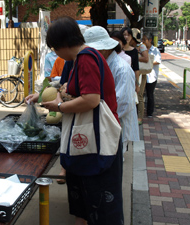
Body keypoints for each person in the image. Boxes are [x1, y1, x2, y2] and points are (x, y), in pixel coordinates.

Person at [26, 16, 123, 225]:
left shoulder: (86, 57)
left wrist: (59, 107)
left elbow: (91, 100)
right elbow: (68, 86)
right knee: (85, 192)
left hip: (98, 135)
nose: (55, 53)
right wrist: (57, 95)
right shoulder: (80, 58)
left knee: (99, 195)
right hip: (90, 133)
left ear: (61, 45)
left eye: (54, 48)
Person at [85, 26, 139, 159]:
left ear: (104, 49)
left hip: (114, 124)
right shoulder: (103, 63)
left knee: (111, 163)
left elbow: (124, 102)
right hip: (105, 123)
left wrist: (98, 117)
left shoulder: (121, 68)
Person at [130, 28, 149, 125]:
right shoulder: (128, 47)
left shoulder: (141, 46)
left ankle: (140, 117)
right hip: (133, 73)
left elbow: (146, 58)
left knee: (140, 95)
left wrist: (135, 57)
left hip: (141, 74)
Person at [142, 32, 161, 117]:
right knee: (141, 94)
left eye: (144, 39)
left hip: (152, 76)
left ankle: (149, 112)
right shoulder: (142, 49)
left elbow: (157, 61)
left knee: (150, 94)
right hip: (142, 75)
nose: (143, 41)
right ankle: (141, 111)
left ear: (150, 40)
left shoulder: (155, 50)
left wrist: (148, 62)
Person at [121, 27, 140, 94]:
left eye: (128, 35)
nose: (126, 37)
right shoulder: (117, 50)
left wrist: (137, 84)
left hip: (129, 79)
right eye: (124, 35)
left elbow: (136, 68)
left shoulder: (134, 51)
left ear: (131, 37)